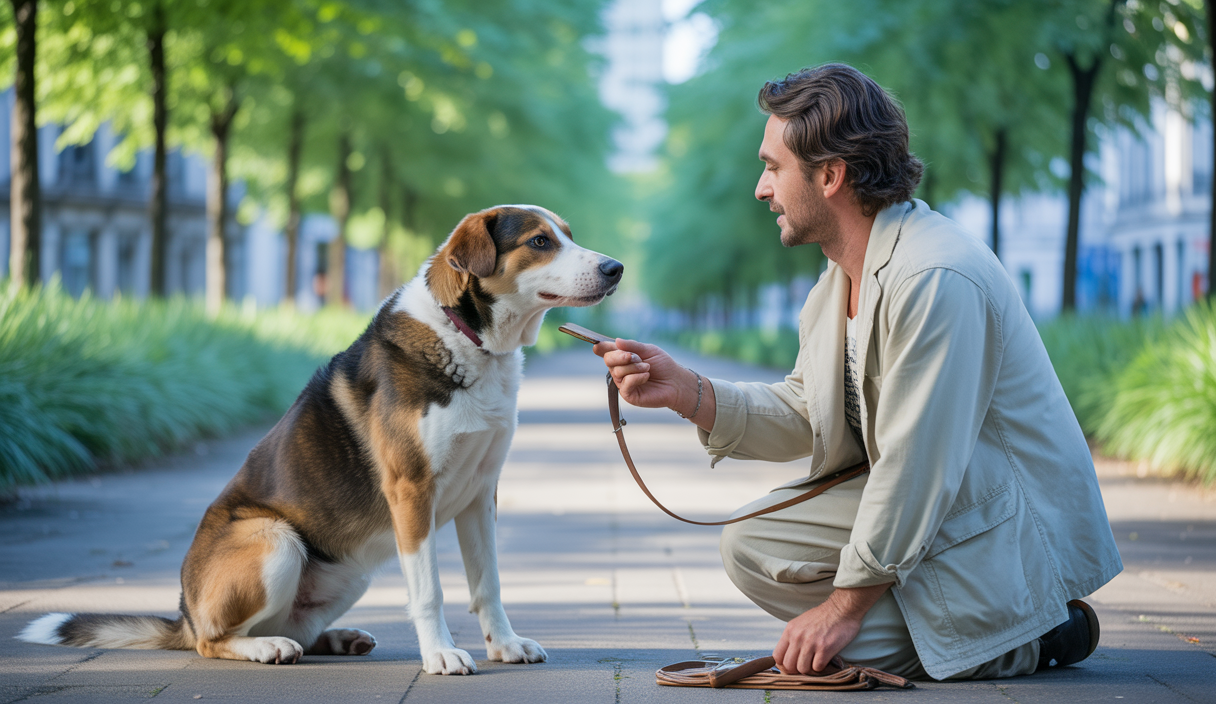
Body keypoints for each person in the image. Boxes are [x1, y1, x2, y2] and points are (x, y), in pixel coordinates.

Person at [594, 63, 1122, 681]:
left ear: (830, 175)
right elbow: (807, 408)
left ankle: (1034, 634)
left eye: (772, 167)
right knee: (751, 545)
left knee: (840, 645)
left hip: (1003, 521)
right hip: (949, 503)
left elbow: (915, 464)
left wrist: (844, 608)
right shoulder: (839, 278)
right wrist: (690, 392)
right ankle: (969, 627)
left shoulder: (933, 278)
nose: (761, 190)